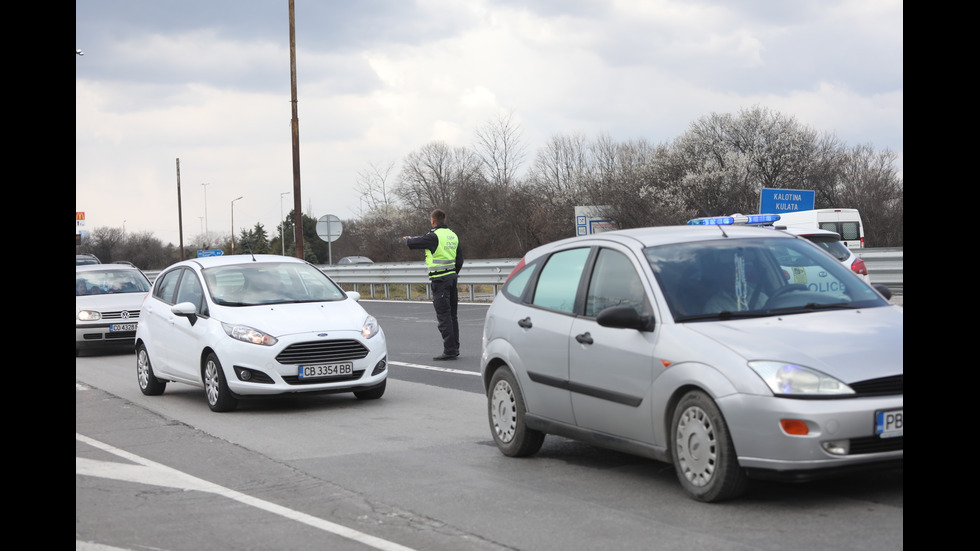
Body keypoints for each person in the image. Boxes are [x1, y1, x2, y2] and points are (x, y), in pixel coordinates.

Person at [403, 209, 463, 360]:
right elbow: (460, 260)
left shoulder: (434, 236)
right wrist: (452, 273)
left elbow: (416, 242)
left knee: (444, 316)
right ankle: (454, 347)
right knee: (452, 316)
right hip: (451, 278)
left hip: (440, 281)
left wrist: (406, 240)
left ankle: (449, 350)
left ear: (433, 221)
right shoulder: (452, 235)